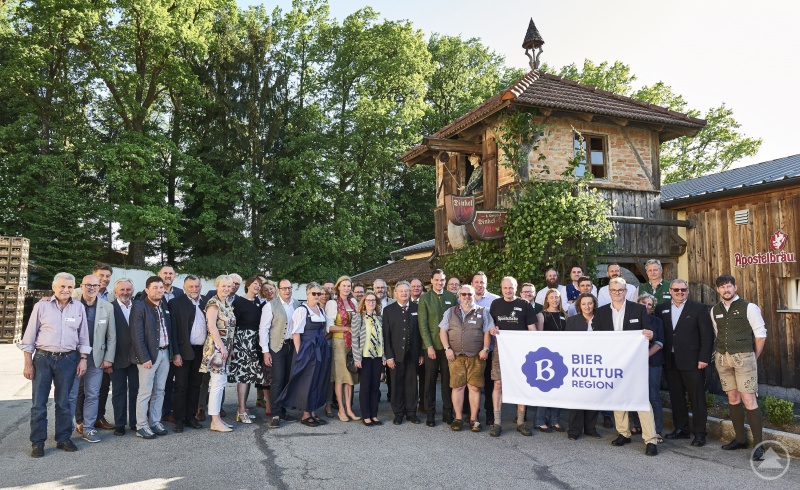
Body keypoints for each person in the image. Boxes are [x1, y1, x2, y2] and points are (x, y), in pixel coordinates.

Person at [20, 273, 91, 458]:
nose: (66, 290)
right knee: (39, 404)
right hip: (43, 359)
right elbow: (29, 337)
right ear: (54, 287)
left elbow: (83, 336)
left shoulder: (79, 308)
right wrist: (28, 363)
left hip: (68, 360)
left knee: (64, 403)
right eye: (62, 286)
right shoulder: (41, 306)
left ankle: (63, 438)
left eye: (69, 287)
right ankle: (38, 442)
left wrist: (83, 359)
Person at [593, 278, 658, 456]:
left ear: (626, 291)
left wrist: (650, 334)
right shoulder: (601, 312)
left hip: (635, 362)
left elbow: (649, 331)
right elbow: (596, 337)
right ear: (609, 292)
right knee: (618, 398)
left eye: (620, 290)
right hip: (613, 363)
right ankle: (623, 433)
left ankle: (650, 439)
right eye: (614, 290)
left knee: (641, 400)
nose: (617, 293)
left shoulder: (638, 309)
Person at [711, 275, 768, 461]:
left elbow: (760, 335)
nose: (726, 290)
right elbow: (718, 333)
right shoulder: (715, 310)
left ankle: (759, 445)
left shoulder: (749, 307)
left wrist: (753, 357)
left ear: (735, 287)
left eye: (729, 286)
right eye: (722, 287)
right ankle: (740, 438)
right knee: (732, 397)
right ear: (718, 290)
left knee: (749, 399)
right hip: (723, 358)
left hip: (744, 358)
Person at [656, 279, 714, 447]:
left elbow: (707, 336)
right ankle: (681, 429)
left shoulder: (699, 308)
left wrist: (704, 358)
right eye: (676, 290)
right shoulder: (661, 309)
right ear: (670, 291)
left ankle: (699, 433)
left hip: (693, 361)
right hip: (670, 360)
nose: (679, 292)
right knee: (676, 397)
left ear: (687, 291)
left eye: (683, 289)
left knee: (696, 398)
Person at [488, 277, 538, 437]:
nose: (508, 290)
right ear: (501, 288)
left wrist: (534, 349)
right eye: (505, 288)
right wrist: (492, 329)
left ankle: (521, 422)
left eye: (511, 287)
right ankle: (497, 423)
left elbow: (532, 330)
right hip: (500, 349)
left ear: (516, 288)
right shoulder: (495, 304)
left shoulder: (525, 305)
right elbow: (490, 326)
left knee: (521, 385)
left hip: (521, 352)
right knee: (498, 384)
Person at [276, 283, 332, 427]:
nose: (317, 296)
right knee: (307, 381)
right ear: (307, 294)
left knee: (318, 380)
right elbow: (296, 333)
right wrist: (300, 353)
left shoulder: (320, 309)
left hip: (320, 348)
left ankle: (312, 411)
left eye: (319, 294)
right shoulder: (302, 310)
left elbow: (324, 331)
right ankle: (305, 414)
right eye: (314, 293)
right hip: (307, 349)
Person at [440, 284, 493, 432]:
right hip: (455, 357)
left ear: (473, 295)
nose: (467, 297)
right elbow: (443, 331)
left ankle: (474, 419)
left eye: (469, 294)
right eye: (463, 294)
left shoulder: (483, 312)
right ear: (459, 296)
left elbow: (487, 331)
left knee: (474, 388)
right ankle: (458, 418)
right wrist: (447, 349)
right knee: (458, 387)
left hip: (476, 356)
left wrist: (485, 349)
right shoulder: (450, 312)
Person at [70, 274, 116, 444]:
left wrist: (109, 358)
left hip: (96, 358)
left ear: (99, 287)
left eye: (95, 286)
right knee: (71, 394)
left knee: (92, 394)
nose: (91, 288)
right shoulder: (72, 304)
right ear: (81, 286)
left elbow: (112, 336)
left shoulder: (107, 307)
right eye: (88, 285)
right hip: (73, 357)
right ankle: (67, 430)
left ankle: (89, 428)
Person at [130, 276, 175, 439]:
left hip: (164, 353)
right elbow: (136, 335)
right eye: (155, 287)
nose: (159, 290)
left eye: (161, 287)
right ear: (147, 290)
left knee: (160, 390)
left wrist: (171, 353)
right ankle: (141, 426)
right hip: (148, 356)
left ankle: (155, 422)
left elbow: (169, 331)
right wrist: (144, 357)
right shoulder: (139, 307)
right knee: (145, 391)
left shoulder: (164, 306)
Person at [418, 269, 458, 427]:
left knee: (448, 380)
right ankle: (430, 414)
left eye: (442, 280)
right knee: (430, 381)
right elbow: (423, 324)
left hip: (448, 347)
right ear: (431, 280)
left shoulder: (451, 297)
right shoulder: (425, 298)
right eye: (436, 280)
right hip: (432, 346)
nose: (439, 283)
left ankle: (448, 412)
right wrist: (429, 346)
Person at [167, 275, 207, 432]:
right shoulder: (175, 303)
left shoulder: (206, 302)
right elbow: (173, 331)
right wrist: (175, 353)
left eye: (197, 286)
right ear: (184, 288)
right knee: (181, 385)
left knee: (195, 385)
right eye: (191, 286)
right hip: (183, 351)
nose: (194, 289)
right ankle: (178, 419)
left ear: (200, 287)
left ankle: (191, 417)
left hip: (201, 351)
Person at [260, 278, 301, 429]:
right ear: (278, 290)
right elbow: (263, 329)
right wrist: (265, 351)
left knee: (288, 380)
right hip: (277, 346)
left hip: (293, 346)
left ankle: (283, 410)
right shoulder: (270, 305)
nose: (287, 291)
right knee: (277, 380)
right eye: (284, 288)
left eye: (289, 288)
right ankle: (275, 413)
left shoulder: (297, 304)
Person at [199, 275, 237, 433]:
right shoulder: (213, 303)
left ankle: (217, 419)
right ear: (217, 286)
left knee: (220, 383)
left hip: (224, 347)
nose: (227, 289)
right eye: (224, 286)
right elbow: (212, 328)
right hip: (216, 348)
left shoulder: (227, 303)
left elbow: (229, 329)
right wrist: (222, 347)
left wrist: (230, 347)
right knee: (216, 384)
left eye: (229, 286)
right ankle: (214, 421)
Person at [383, 281, 423, 425]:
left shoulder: (417, 308)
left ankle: (412, 413)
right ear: (395, 293)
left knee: (412, 385)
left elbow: (420, 333)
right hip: (395, 355)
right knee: (396, 384)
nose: (404, 293)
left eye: (407, 291)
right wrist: (389, 356)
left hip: (412, 354)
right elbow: (386, 336)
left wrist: (421, 354)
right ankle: (398, 413)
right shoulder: (388, 310)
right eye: (401, 291)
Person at [229, 276, 268, 424]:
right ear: (248, 285)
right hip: (243, 340)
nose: (258, 286)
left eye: (259, 285)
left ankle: (243, 408)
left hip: (255, 341)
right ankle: (241, 410)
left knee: (250, 376)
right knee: (243, 376)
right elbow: (233, 325)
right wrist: (231, 345)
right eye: (255, 284)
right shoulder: (238, 302)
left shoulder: (259, 302)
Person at [565, 293, 602, 441]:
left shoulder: (601, 320)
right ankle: (574, 429)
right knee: (577, 396)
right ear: (579, 306)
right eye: (584, 304)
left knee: (594, 395)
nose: (587, 306)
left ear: (594, 304)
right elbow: (567, 341)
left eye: (590, 303)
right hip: (578, 363)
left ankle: (590, 428)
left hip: (597, 362)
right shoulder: (573, 321)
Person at [631, 293, 665, 442]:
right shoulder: (631, 320)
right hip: (632, 364)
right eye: (643, 303)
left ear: (652, 308)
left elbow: (660, 342)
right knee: (635, 394)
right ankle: (638, 425)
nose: (646, 306)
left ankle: (656, 430)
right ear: (638, 304)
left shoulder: (657, 321)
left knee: (653, 395)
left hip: (652, 362)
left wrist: (644, 356)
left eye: (649, 304)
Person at [326, 276, 360, 421]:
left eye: (348, 286)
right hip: (339, 343)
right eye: (344, 285)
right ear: (338, 287)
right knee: (340, 377)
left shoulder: (353, 302)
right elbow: (330, 327)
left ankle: (349, 409)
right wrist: (347, 328)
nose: (346, 288)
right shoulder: (332, 303)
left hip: (352, 343)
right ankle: (340, 409)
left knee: (350, 376)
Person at [109, 278, 139, 436]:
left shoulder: (139, 307)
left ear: (132, 291)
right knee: (118, 392)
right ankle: (120, 423)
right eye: (122, 290)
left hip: (136, 357)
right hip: (117, 357)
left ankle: (134, 422)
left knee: (136, 390)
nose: (125, 293)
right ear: (115, 292)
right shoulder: (109, 308)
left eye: (128, 290)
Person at [351, 293, 385, 426]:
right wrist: (356, 358)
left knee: (375, 387)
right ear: (364, 302)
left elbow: (382, 339)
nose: (371, 302)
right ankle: (366, 415)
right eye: (368, 300)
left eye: (373, 300)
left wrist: (384, 357)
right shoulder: (358, 317)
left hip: (377, 356)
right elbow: (355, 338)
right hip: (364, 357)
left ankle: (374, 415)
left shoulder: (379, 318)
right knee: (365, 387)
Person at [536, 288, 566, 433]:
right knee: (545, 389)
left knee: (558, 390)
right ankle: (540, 420)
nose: (555, 300)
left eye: (557, 297)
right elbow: (539, 337)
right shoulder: (541, 315)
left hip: (561, 356)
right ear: (547, 299)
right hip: (546, 357)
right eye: (552, 297)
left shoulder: (564, 315)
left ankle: (555, 420)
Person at [471, 271, 499, 425]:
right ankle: (472, 413)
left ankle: (490, 414)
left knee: (489, 383)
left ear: (486, 284)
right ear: (472, 283)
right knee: (472, 383)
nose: (479, 285)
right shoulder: (465, 298)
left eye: (482, 282)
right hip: (471, 348)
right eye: (476, 282)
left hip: (490, 348)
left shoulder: (494, 300)